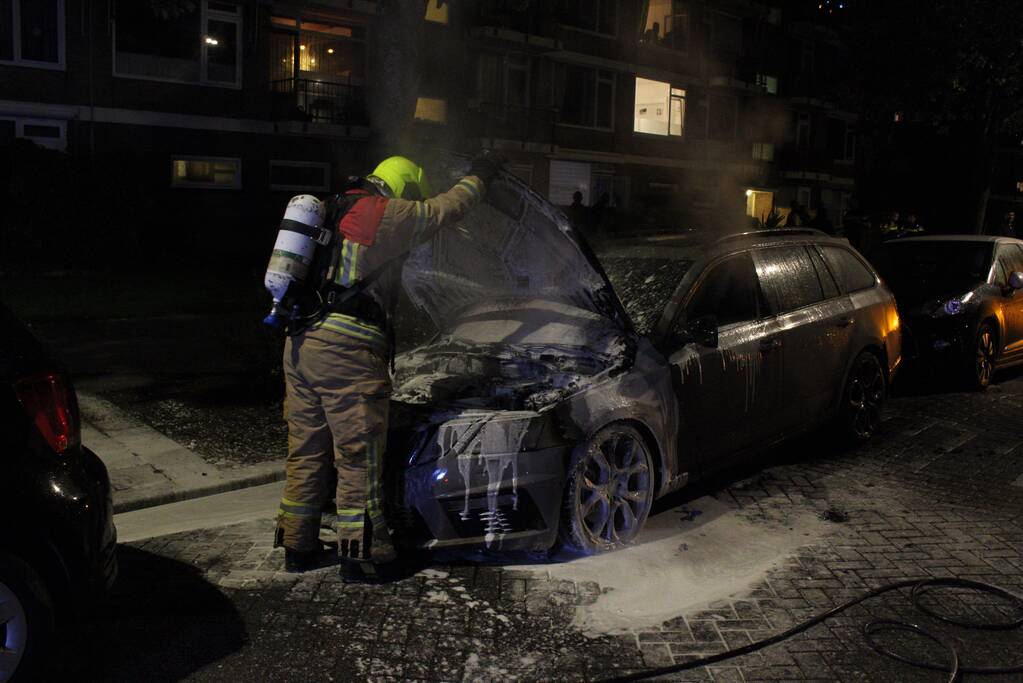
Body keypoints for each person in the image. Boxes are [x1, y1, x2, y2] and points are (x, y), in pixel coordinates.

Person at [275, 151, 504, 581]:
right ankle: (364, 555)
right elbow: (445, 210)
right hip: (346, 351)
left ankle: (297, 545)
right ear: (402, 188)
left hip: (299, 345)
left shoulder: (334, 207)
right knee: (358, 457)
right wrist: (481, 178)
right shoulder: (388, 214)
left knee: (307, 451)